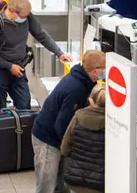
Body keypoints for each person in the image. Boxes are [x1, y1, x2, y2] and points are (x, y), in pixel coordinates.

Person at [0, 0, 73, 112]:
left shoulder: (27, 16)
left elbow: (41, 35)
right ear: (11, 11)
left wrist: (59, 53)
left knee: (24, 107)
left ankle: (21, 130)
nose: (24, 19)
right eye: (22, 16)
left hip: (18, 69)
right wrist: (9, 66)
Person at [32, 50, 106, 193]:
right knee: (46, 185)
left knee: (60, 183)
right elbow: (62, 124)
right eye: (104, 68)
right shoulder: (76, 88)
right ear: (95, 71)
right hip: (47, 138)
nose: (105, 71)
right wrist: (68, 148)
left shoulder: (84, 80)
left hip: (55, 135)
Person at [60, 84, 107, 193]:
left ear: (91, 101)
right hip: (101, 184)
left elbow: (64, 149)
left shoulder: (78, 116)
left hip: (75, 181)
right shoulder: (114, 124)